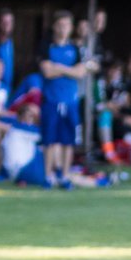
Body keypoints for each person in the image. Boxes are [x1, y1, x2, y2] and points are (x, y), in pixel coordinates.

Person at [39, 10, 97, 189]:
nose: (63, 29)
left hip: (70, 101)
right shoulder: (46, 47)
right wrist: (69, 70)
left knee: (68, 141)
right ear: (55, 27)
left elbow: (81, 72)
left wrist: (59, 68)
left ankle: (65, 175)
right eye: (60, 25)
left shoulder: (75, 49)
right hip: (51, 100)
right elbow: (47, 71)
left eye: (67, 25)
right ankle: (48, 175)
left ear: (71, 28)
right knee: (50, 140)